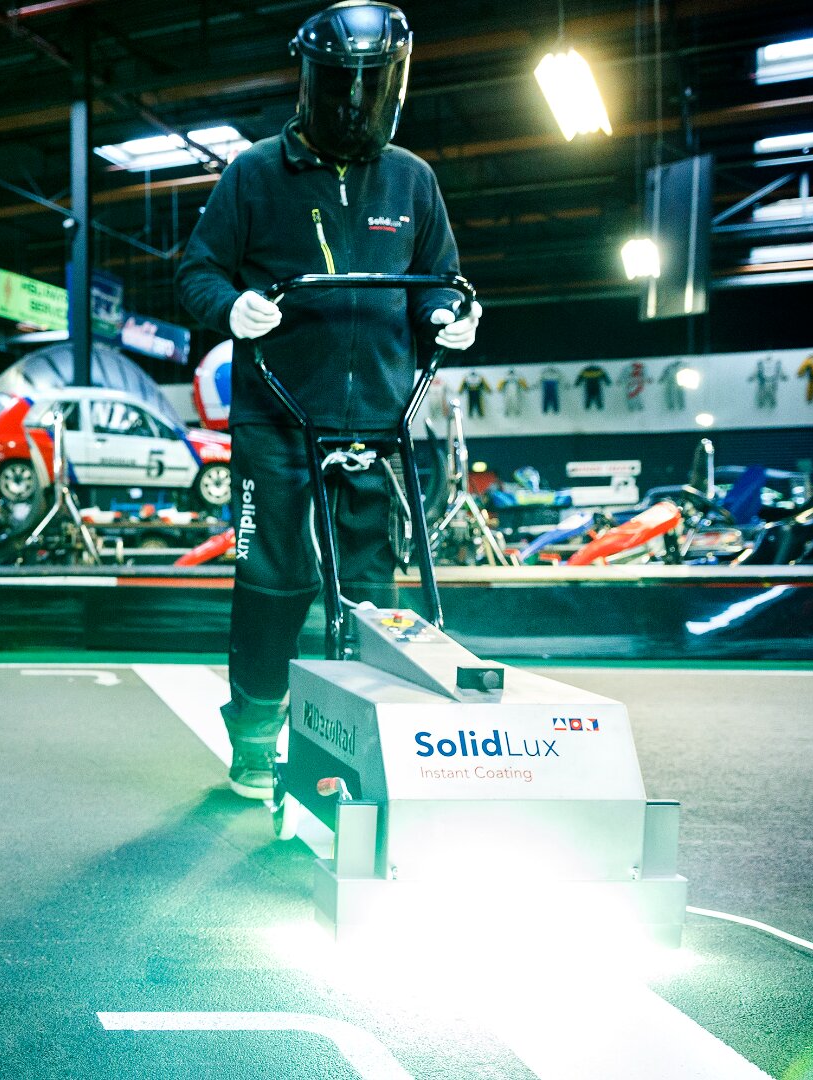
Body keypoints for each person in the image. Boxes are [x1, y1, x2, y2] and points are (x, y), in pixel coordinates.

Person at [175, 0, 479, 801]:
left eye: (372, 86)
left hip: (380, 419)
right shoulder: (254, 174)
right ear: (310, 81)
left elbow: (438, 282)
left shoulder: (412, 180)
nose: (355, 104)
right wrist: (231, 308)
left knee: (375, 588)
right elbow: (197, 272)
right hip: (279, 415)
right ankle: (254, 733)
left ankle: (372, 736)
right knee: (274, 578)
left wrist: (446, 317)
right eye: (343, 85)